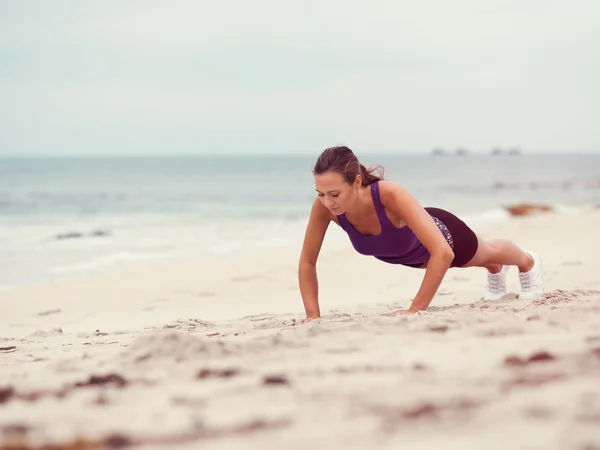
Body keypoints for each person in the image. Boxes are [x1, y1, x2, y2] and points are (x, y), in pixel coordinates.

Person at [298, 146, 544, 320]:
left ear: (357, 182)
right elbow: (307, 262)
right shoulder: (325, 208)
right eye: (320, 193)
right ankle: (495, 269)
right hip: (416, 258)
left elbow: (443, 253)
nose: (327, 202)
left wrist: (415, 310)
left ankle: (528, 261)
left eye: (334, 194)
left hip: (446, 236)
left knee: (486, 252)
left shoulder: (389, 195)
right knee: (487, 262)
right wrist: (312, 316)